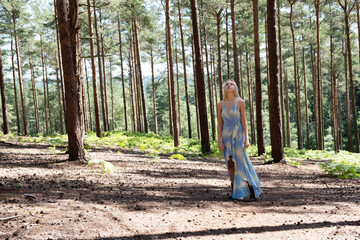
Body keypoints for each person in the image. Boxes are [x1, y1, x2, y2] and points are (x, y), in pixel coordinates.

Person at [217, 79, 262, 201]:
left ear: (235, 87)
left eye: (231, 84)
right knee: (230, 163)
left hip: (238, 136)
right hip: (226, 137)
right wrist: (219, 140)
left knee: (242, 163)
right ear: (224, 88)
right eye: (227, 84)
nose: (229, 85)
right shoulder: (220, 104)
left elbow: (244, 122)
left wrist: (246, 138)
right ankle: (234, 192)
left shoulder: (240, 102)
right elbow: (219, 124)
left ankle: (252, 190)